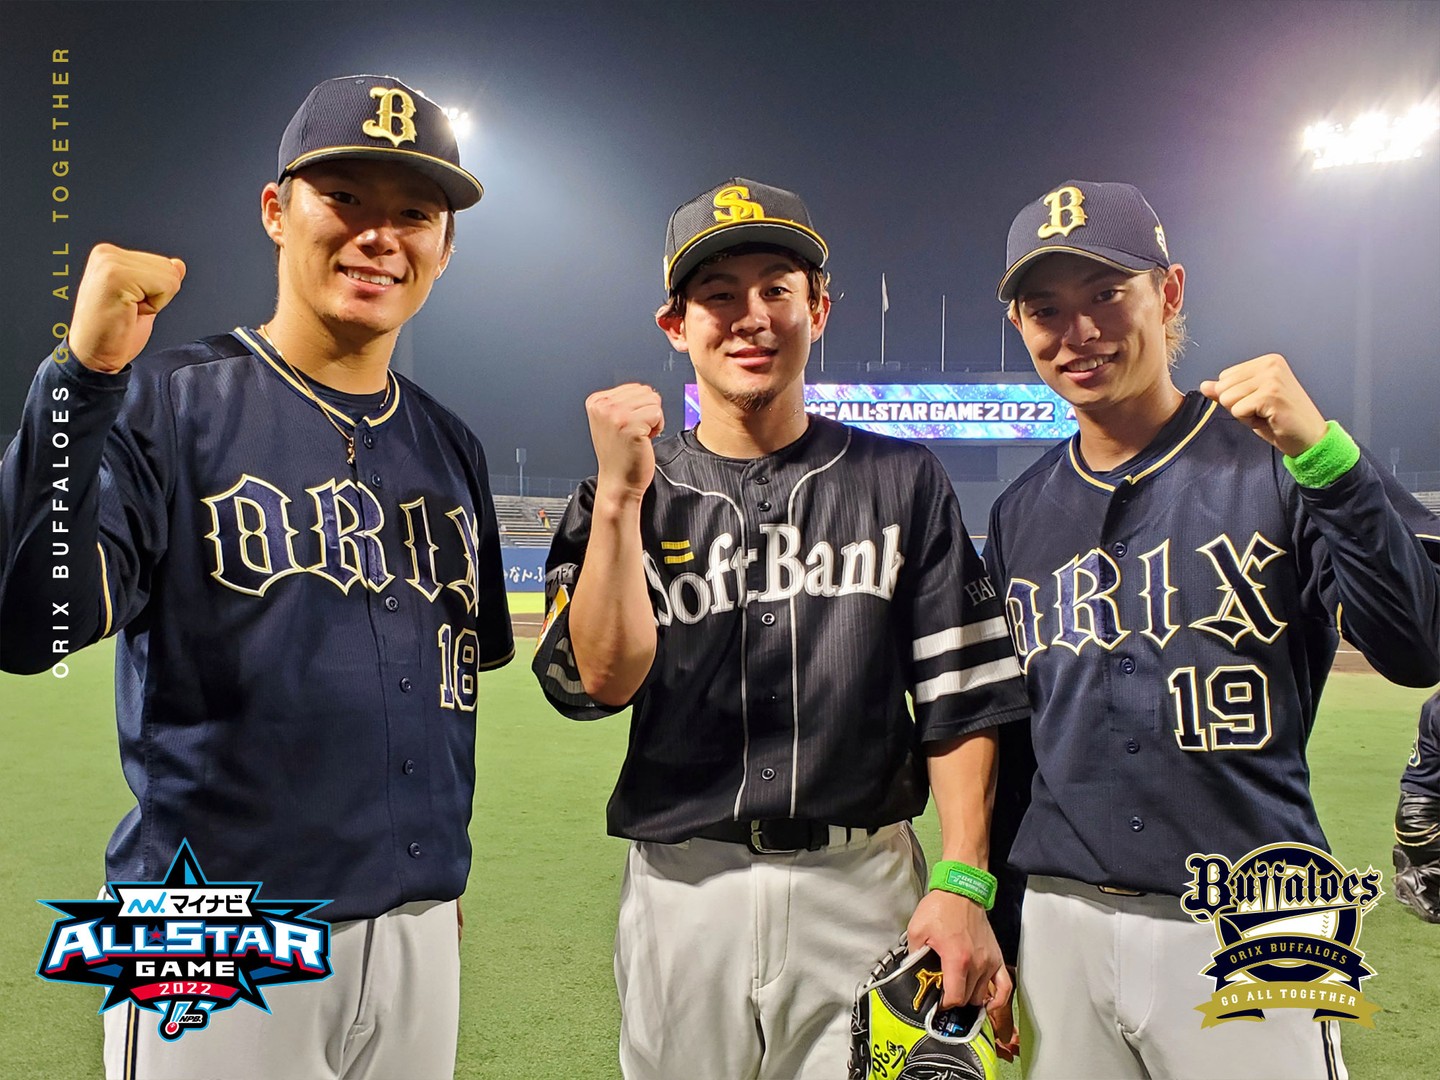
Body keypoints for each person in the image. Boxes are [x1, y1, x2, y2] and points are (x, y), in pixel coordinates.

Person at [0, 75, 513, 1080]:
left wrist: (421, 894)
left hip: (415, 930)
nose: (379, 236)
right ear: (277, 211)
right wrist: (81, 380)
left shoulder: (452, 446)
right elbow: (28, 625)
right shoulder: (167, 404)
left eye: (415, 213)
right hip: (204, 923)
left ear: (446, 248)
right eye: (345, 199)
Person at [532, 177, 1029, 1079]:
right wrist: (618, 499)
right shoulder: (629, 487)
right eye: (719, 295)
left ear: (819, 310)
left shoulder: (902, 480)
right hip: (685, 888)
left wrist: (963, 880)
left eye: (777, 290)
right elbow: (594, 684)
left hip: (863, 886)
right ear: (676, 325)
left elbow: (961, 698)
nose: (750, 317)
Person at [982, 179, 1440, 1079]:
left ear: (1170, 292)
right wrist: (1000, 921)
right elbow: (1019, 742)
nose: (1078, 332)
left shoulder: (1279, 453)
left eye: (1106, 293)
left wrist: (1325, 458)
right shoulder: (1020, 510)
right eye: (1046, 309)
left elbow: (1416, 646)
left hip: (1256, 911)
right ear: (1021, 326)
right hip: (1061, 919)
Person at [1394, 689, 1440, 923]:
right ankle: (1424, 879)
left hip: (1415, 818)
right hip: (1426, 825)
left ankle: (1413, 860)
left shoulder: (1435, 702)